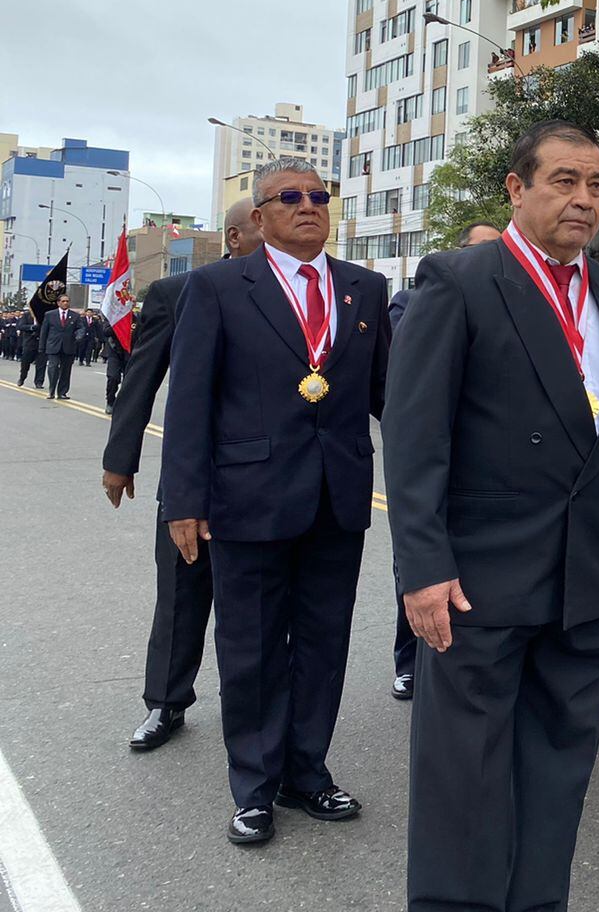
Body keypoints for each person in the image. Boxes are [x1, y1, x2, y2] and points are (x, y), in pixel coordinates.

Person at [382, 121, 599, 912]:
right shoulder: (459, 279)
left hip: (582, 575)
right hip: (477, 580)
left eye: (594, 185)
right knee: (466, 770)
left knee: (559, 761)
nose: (582, 199)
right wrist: (422, 568)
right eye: (563, 181)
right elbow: (416, 439)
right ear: (517, 190)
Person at [160, 159, 391, 845]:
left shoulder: (365, 290)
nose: (308, 206)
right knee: (252, 645)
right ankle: (255, 786)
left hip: (337, 497)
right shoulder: (218, 287)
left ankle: (306, 772)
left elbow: (390, 396)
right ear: (257, 218)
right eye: (289, 197)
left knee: (324, 641)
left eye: (319, 196)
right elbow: (191, 402)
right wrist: (183, 501)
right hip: (247, 498)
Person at [101, 198, 263, 752]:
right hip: (194, 473)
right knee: (180, 594)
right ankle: (166, 702)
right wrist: (121, 459)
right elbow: (141, 379)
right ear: (236, 237)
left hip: (267, 481)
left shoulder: (298, 295)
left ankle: (267, 713)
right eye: (262, 228)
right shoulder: (180, 293)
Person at [384, 220, 503, 702]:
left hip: (489, 478)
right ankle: (409, 661)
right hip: (437, 465)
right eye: (481, 250)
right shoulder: (417, 302)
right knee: (420, 572)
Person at [39, 293, 85, 400]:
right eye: (63, 301)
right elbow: (44, 332)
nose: (65, 303)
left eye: (67, 301)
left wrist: (79, 336)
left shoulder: (75, 316)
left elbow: (81, 328)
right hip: (53, 346)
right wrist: (42, 347)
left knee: (66, 370)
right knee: (53, 368)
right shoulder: (50, 315)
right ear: (58, 303)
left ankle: (62, 392)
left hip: (68, 346)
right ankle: (51, 390)